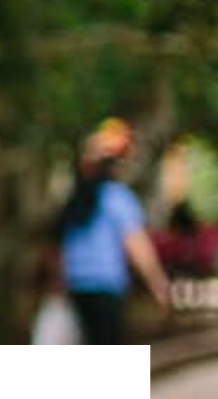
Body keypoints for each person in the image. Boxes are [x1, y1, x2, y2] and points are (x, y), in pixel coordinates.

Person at [56, 117, 171, 344]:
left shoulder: (75, 201)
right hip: (105, 289)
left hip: (76, 288)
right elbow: (137, 244)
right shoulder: (116, 197)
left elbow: (60, 248)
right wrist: (158, 284)